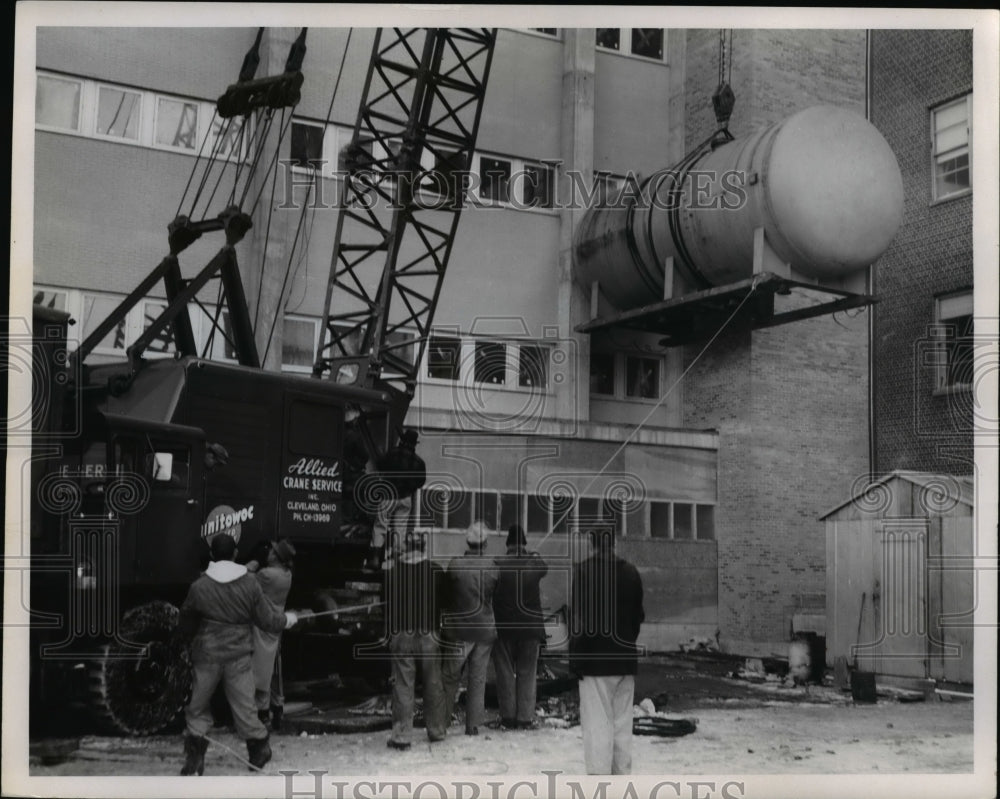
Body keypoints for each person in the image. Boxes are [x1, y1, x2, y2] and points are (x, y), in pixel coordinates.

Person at [177, 534, 298, 776]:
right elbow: (267, 619)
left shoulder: (199, 586)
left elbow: (186, 623)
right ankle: (259, 750)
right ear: (235, 555)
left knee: (197, 706)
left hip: (207, 655)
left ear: (212, 555)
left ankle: (195, 757)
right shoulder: (249, 584)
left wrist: (185, 645)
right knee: (245, 706)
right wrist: (288, 620)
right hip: (239, 656)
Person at [568, 526, 645, 775]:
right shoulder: (631, 572)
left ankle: (600, 783)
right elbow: (638, 616)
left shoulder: (583, 571)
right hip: (624, 659)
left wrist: (576, 658)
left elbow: (578, 622)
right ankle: (622, 779)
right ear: (614, 544)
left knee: (597, 725)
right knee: (622, 725)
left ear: (592, 544)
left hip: (595, 662)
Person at [384, 530, 448, 750]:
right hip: (429, 634)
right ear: (423, 547)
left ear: (406, 547)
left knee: (402, 684)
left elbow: (387, 606)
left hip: (402, 633)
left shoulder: (393, 573)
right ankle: (437, 730)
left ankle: (402, 737)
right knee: (433, 683)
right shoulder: (436, 571)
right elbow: (444, 602)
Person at [440, 523, 498, 735]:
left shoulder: (455, 565)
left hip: (458, 631)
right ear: (485, 543)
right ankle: (473, 725)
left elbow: (446, 597)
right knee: (477, 678)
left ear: (468, 542)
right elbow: (495, 595)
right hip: (484, 630)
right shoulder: (492, 566)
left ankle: (442, 722)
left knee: (449, 677)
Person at [492, 524, 548, 730]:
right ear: (524, 543)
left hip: (504, 628)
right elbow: (544, 567)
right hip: (530, 630)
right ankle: (525, 718)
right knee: (527, 672)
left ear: (507, 544)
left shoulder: (497, 564)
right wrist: (533, 553)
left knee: (505, 673)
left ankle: (507, 716)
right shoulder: (534, 563)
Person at [248, 538, 296, 732]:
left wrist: (254, 562)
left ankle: (262, 713)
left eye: (271, 551)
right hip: (278, 624)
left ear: (275, 556)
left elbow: (246, 579)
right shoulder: (287, 575)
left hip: (263, 625)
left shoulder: (266, 574)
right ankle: (278, 710)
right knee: (275, 667)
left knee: (261, 670)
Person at [369, 428, 426, 569]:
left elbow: (379, 465)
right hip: (405, 498)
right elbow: (421, 482)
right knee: (400, 530)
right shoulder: (419, 462)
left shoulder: (392, 453)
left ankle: (375, 560)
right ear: (414, 444)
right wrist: (409, 487)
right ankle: (395, 563)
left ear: (402, 440)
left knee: (380, 526)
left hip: (388, 496)